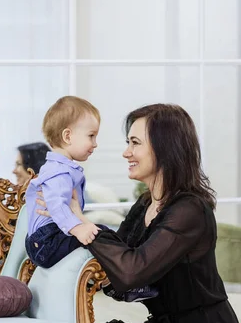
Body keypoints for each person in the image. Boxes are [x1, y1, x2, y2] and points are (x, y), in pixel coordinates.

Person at [35, 104, 241, 323]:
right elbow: (113, 259)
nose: (126, 152)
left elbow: (130, 271)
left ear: (165, 148)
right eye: (128, 143)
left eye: (135, 143)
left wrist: (80, 222)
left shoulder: (189, 211)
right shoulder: (145, 205)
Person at [26, 96, 157, 302]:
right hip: (45, 241)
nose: (95, 144)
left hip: (48, 237)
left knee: (103, 233)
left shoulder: (62, 168)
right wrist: (78, 228)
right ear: (68, 136)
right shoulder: (58, 172)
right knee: (100, 234)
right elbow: (56, 205)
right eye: (91, 136)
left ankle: (118, 284)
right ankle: (120, 286)